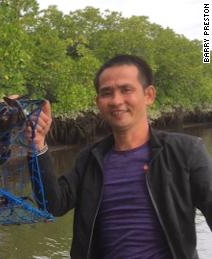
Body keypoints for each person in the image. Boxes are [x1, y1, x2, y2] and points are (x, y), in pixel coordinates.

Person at [29, 54, 212, 258]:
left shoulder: (186, 152)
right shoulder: (90, 159)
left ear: (149, 95)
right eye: (107, 93)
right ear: (98, 102)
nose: (116, 101)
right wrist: (37, 145)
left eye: (126, 90)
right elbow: (52, 205)